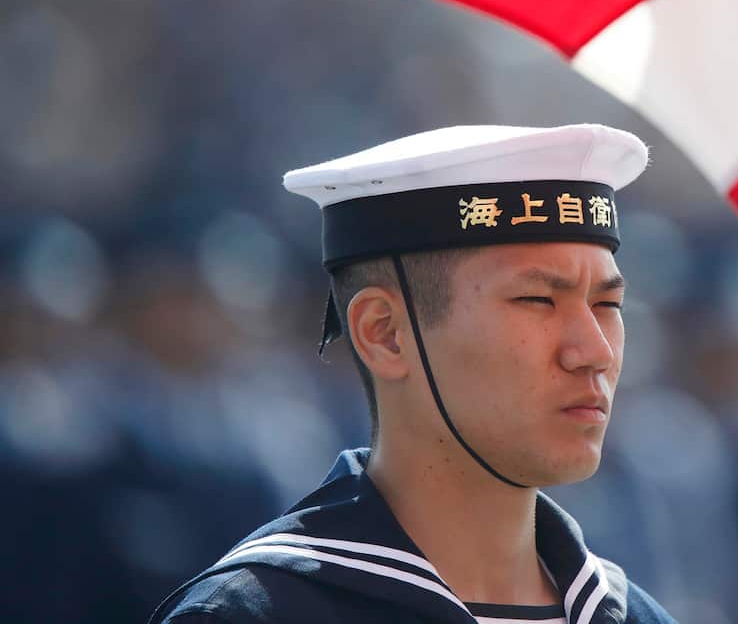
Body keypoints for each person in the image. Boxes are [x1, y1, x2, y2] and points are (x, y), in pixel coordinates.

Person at [150, 124, 678, 624]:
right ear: (385, 333)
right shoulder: (258, 613)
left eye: (608, 304)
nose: (594, 351)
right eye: (536, 299)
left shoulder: (632, 615)